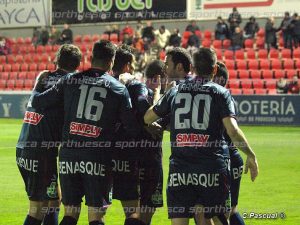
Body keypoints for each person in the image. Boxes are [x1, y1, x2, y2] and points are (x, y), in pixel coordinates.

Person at [30, 40, 141, 225]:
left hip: (68, 156)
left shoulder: (69, 80)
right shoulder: (118, 88)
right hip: (97, 157)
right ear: (111, 62)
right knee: (96, 215)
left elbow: (39, 102)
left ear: (90, 58)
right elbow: (132, 128)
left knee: (70, 212)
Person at [144, 47, 259, 225]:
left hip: (180, 171)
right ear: (214, 70)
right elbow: (233, 131)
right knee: (219, 219)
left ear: (194, 68)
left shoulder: (175, 91)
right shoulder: (220, 93)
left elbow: (148, 117)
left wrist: (162, 98)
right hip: (212, 169)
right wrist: (250, 154)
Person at [16, 44, 82, 225]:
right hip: (41, 153)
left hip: (24, 147)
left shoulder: (43, 76)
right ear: (78, 64)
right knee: (38, 207)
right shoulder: (71, 84)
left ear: (57, 59)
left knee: (53, 200)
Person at [112, 45, 163, 225]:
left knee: (131, 212)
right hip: (144, 158)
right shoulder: (137, 86)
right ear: (127, 65)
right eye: (132, 63)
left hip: (116, 156)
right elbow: (144, 107)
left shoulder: (108, 83)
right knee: (142, 215)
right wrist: (156, 95)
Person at [213, 62, 246, 225]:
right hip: (234, 158)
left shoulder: (218, 99)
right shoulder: (227, 98)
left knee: (216, 213)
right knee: (232, 210)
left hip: (224, 160)